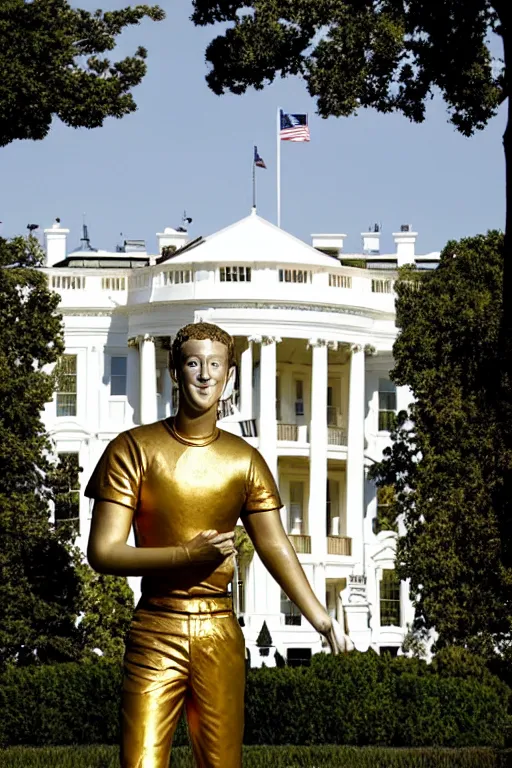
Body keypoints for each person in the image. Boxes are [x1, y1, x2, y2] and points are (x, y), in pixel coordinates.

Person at [86, 322, 353, 768]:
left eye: (215, 365)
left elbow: (274, 546)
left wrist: (320, 618)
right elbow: (103, 552)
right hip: (157, 625)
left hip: (219, 631)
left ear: (228, 376)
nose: (205, 375)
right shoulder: (133, 449)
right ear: (175, 371)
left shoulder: (243, 460)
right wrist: (185, 556)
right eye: (193, 363)